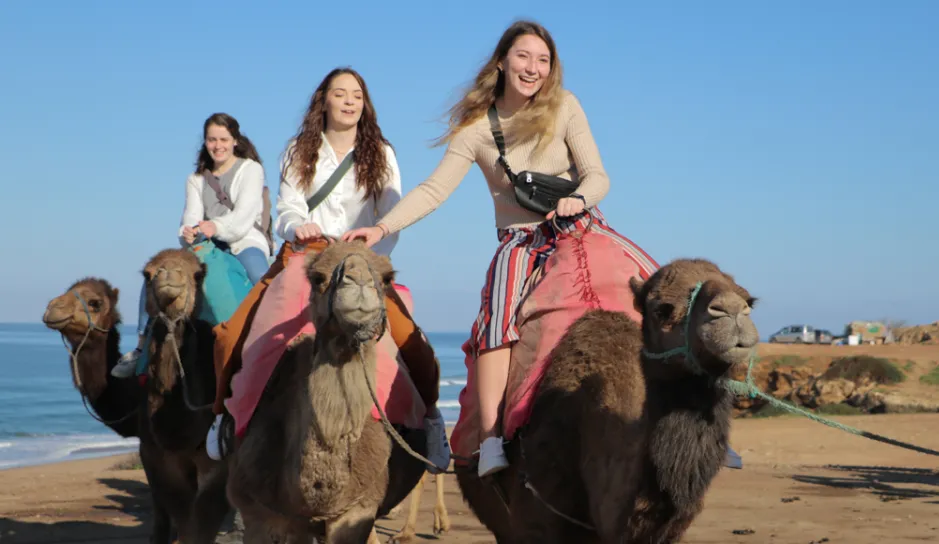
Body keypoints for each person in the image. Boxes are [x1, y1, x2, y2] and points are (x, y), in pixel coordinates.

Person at [343, 20, 660, 477]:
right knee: (498, 317)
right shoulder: (475, 130)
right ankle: (491, 438)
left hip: (579, 226)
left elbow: (598, 176)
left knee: (659, 291)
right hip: (522, 239)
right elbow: (434, 190)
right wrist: (381, 227)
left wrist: (578, 199)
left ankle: (697, 415)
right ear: (502, 61)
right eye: (524, 57)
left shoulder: (565, 107)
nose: (533, 68)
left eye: (543, 60)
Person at [204, 67, 450, 472]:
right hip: (306, 256)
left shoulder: (383, 153)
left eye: (357, 94)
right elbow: (286, 206)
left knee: (412, 342)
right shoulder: (298, 149)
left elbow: (392, 214)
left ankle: (433, 420)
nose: (350, 101)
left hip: (360, 261)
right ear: (325, 100)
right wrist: (296, 225)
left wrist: (372, 249)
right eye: (340, 93)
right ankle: (222, 417)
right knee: (233, 334)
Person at [112, 113, 271, 379]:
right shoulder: (196, 179)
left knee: (262, 280)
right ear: (205, 142)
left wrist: (215, 227)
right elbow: (190, 216)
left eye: (223, 139)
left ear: (234, 141)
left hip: (244, 240)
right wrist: (187, 232)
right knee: (155, 273)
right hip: (206, 244)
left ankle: (272, 346)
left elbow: (244, 217)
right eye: (212, 140)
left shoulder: (250, 169)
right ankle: (141, 346)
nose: (217, 145)